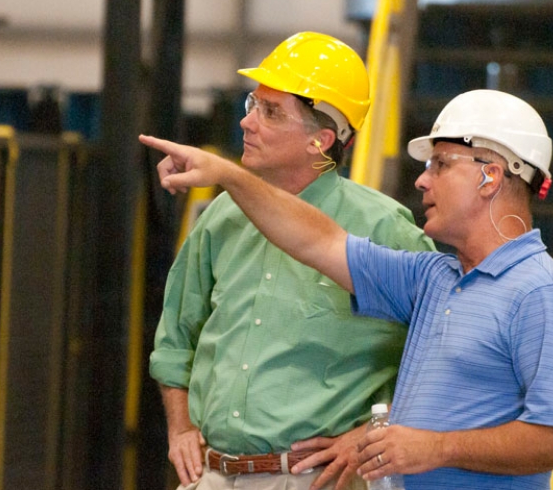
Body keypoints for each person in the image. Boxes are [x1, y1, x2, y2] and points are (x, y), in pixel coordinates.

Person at [140, 88, 553, 490]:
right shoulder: (432, 280)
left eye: (440, 164)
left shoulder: (544, 295)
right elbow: (319, 241)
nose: (421, 179)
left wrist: (435, 448)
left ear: (490, 176)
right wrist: (229, 175)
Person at [145, 31, 435, 490]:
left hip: (313, 480)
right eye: (252, 105)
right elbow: (177, 338)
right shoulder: (221, 216)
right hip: (211, 476)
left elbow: (444, 358)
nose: (248, 123)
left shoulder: (384, 230)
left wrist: (371, 433)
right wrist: (180, 427)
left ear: (320, 141)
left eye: (271, 112)